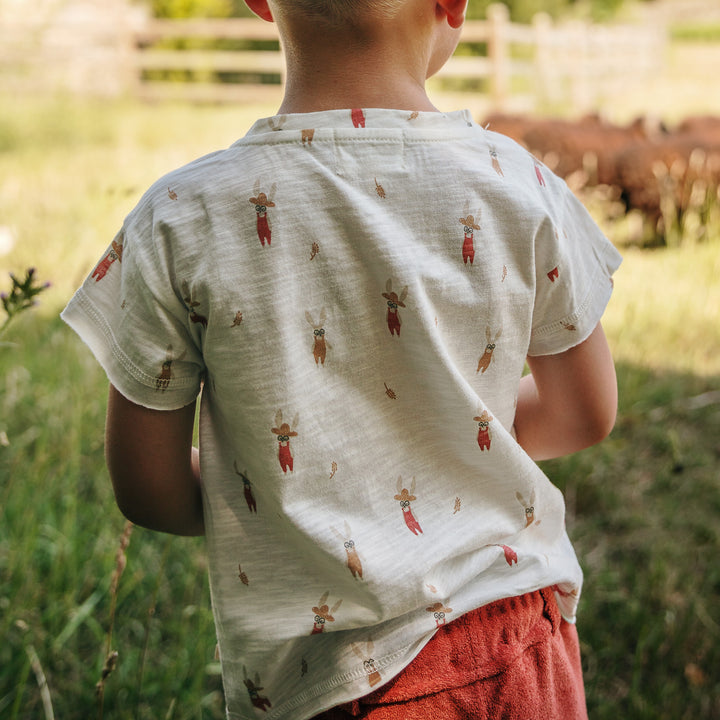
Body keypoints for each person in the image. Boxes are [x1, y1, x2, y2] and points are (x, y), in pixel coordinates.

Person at [61, 0, 622, 718]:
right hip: (520, 648)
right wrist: (458, 444)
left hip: (332, 685)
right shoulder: (521, 183)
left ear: (260, 3)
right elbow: (586, 413)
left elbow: (146, 487)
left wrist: (277, 500)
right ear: (454, 3)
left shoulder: (178, 219)